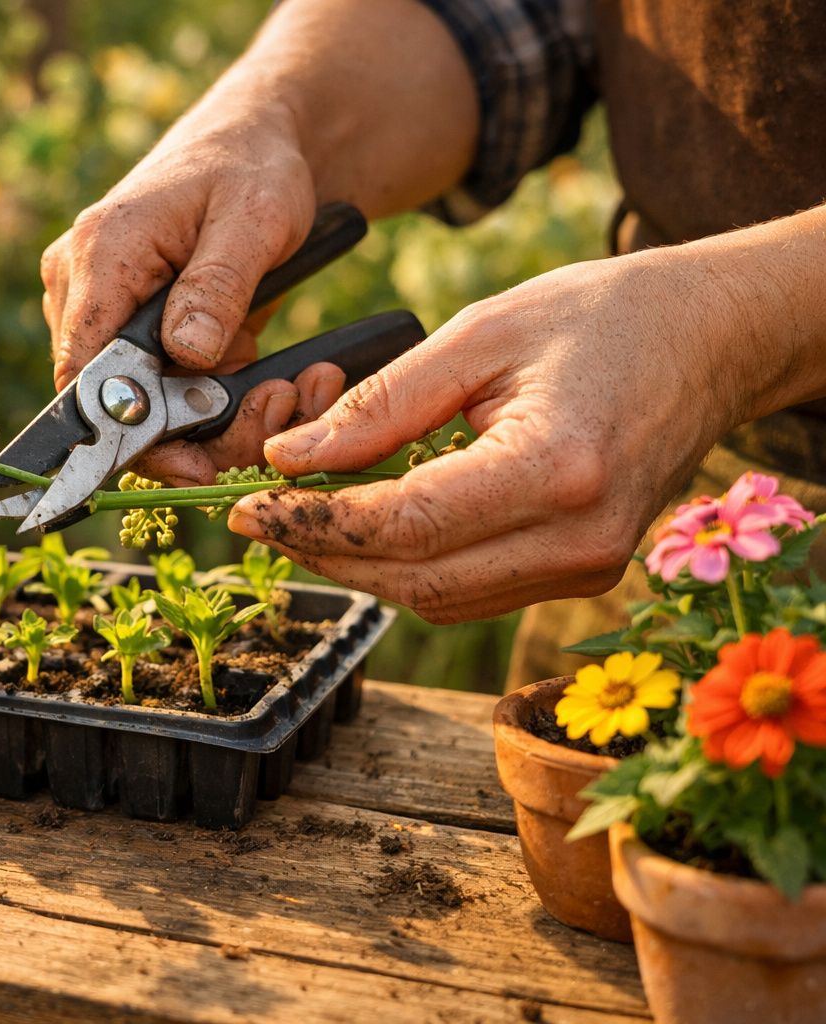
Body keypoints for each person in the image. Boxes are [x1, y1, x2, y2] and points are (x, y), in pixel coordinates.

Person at [41, 0, 826, 687]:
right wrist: (266, 116)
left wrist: (726, 320)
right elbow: (507, 14)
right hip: (679, 524)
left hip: (710, 457)